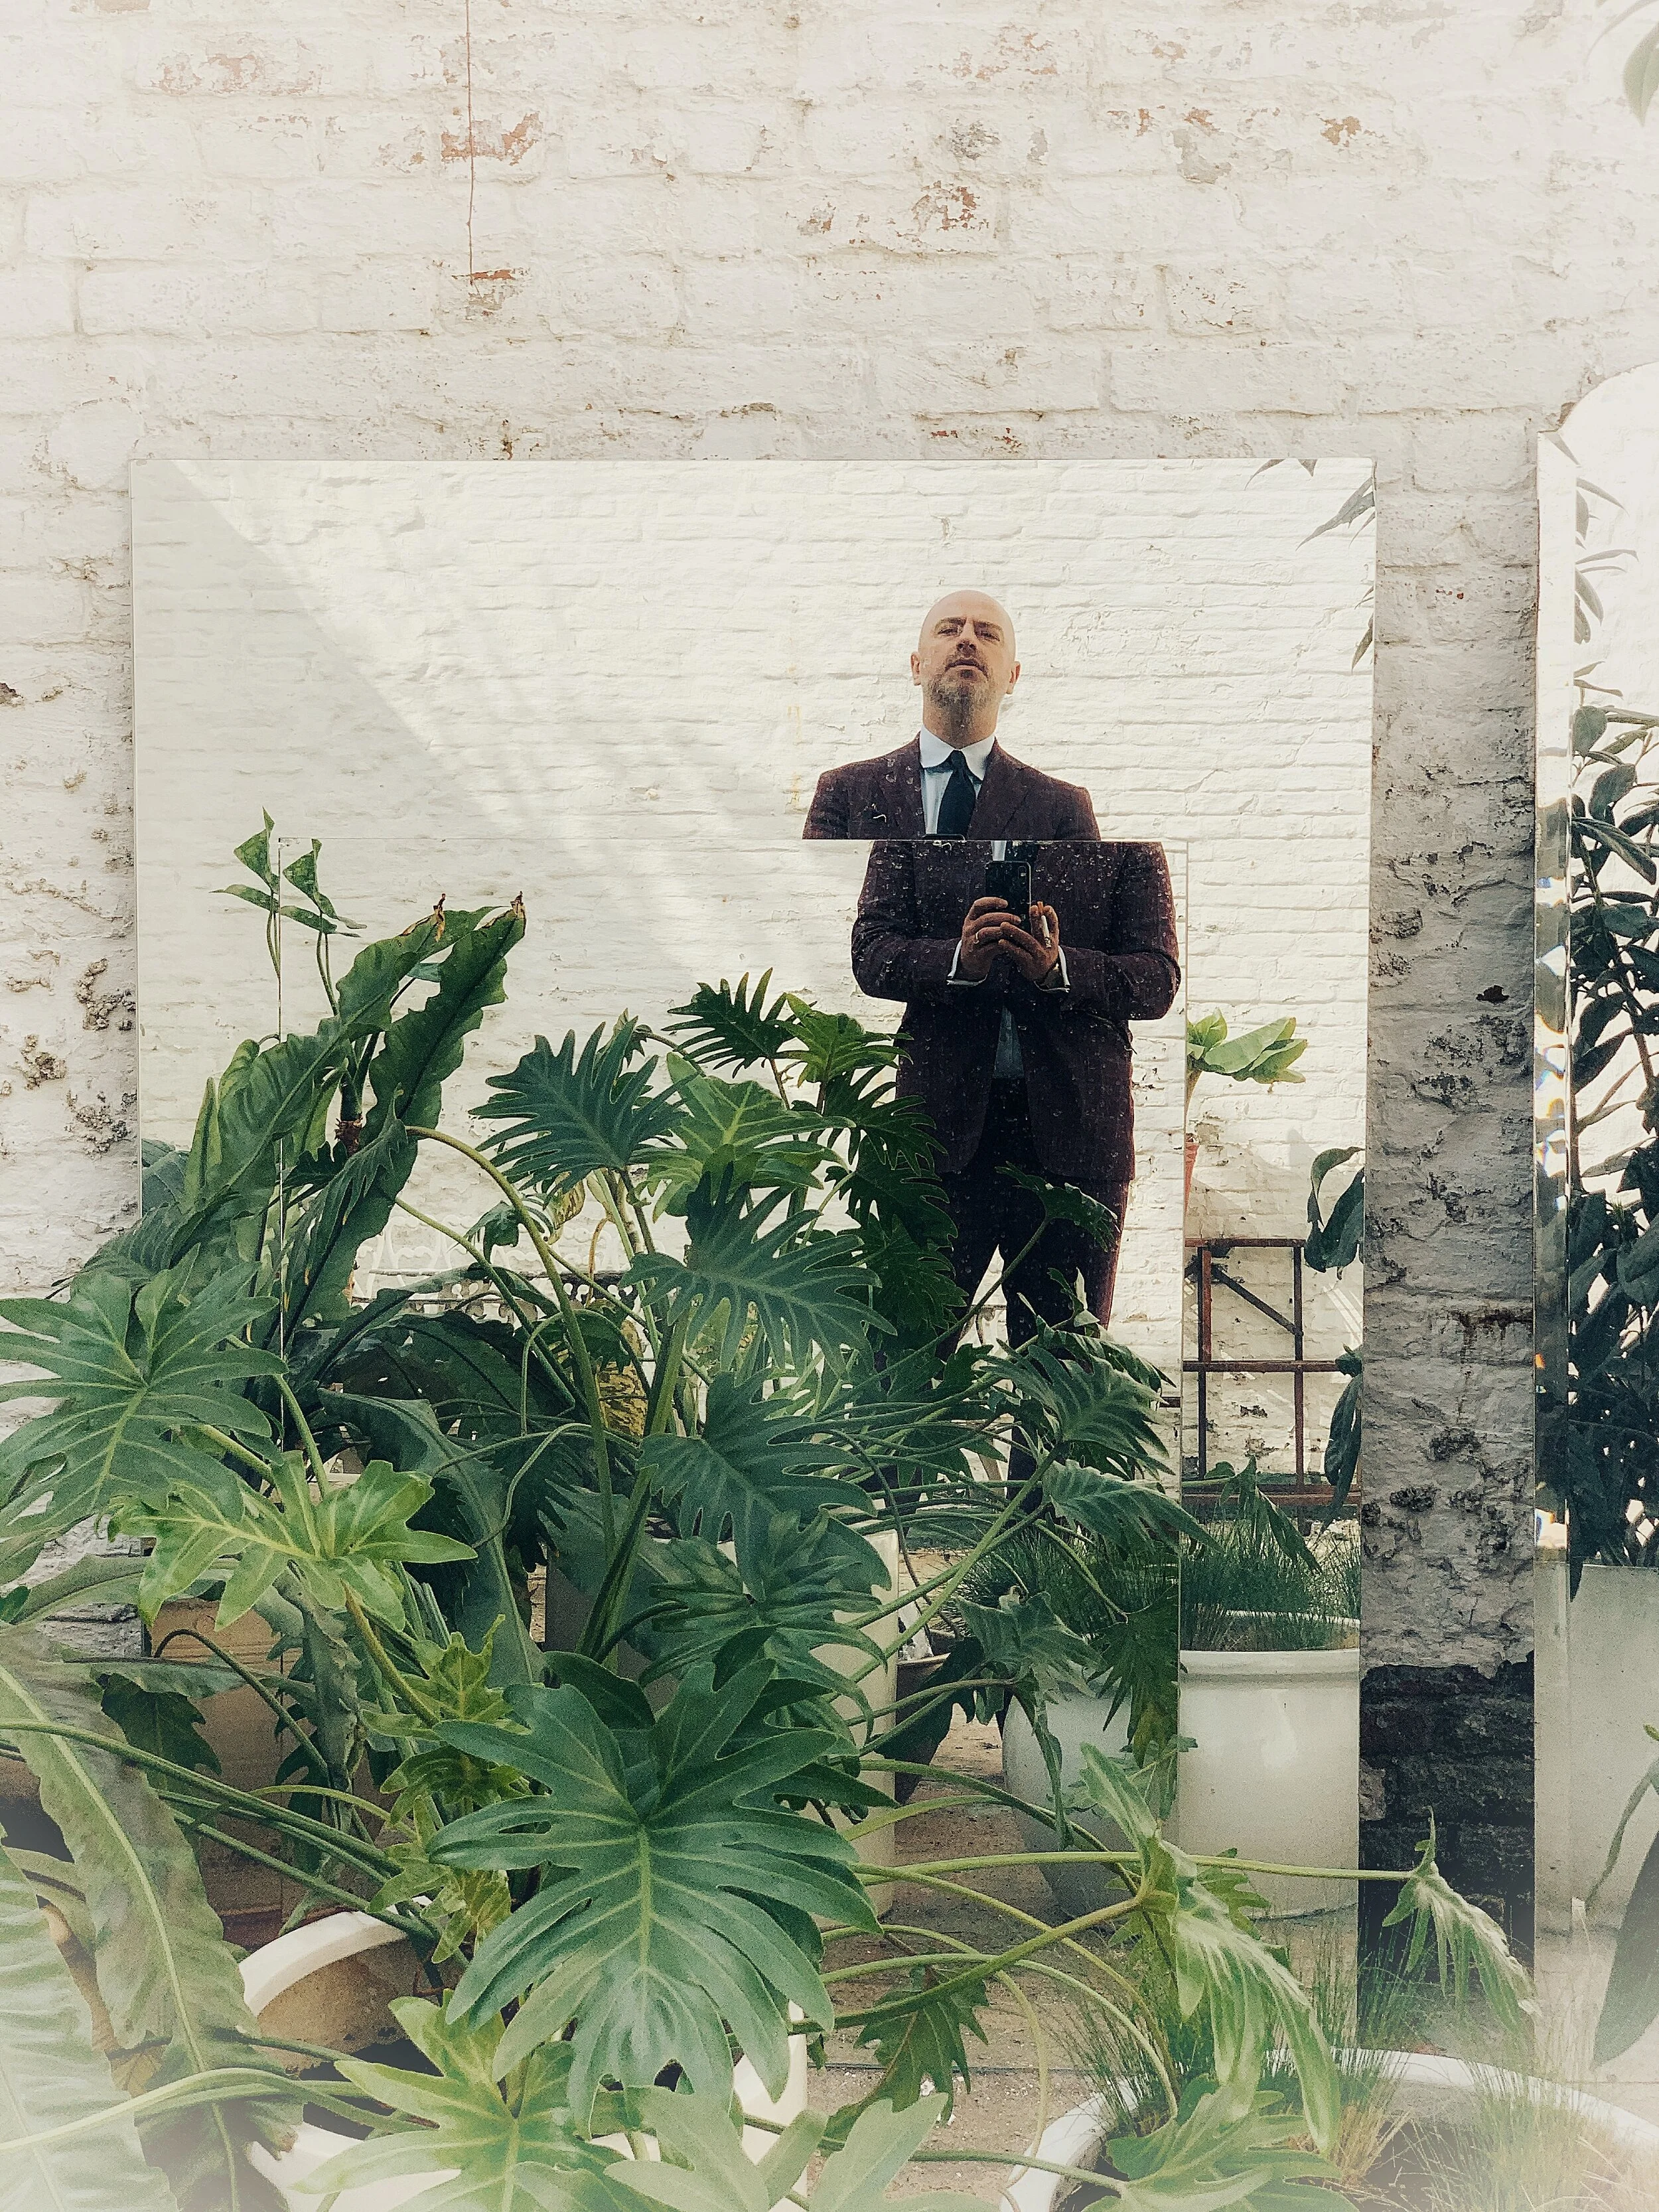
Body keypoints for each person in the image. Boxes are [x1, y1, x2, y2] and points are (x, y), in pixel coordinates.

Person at [851, 836, 1179, 1341]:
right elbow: (872, 952)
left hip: (1076, 1133)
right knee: (903, 1361)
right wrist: (958, 961)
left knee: (1059, 1372)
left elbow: (1158, 978)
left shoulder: (1122, 836)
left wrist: (1061, 969)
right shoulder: (917, 825)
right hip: (939, 1131)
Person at [803, 590, 1100, 842]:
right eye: (949, 630)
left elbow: (1083, 910)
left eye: (987, 634)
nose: (967, 639)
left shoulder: (1063, 809)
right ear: (917, 668)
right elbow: (817, 903)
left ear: (1013, 677)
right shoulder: (845, 793)